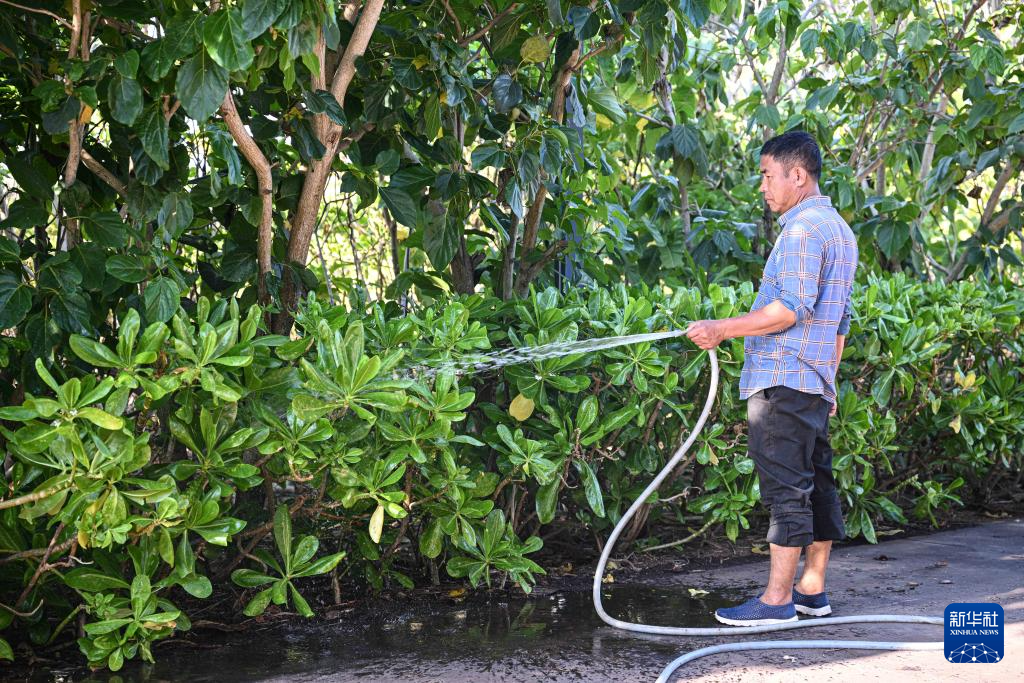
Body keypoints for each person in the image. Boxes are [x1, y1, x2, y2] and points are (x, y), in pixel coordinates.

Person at [685, 130, 859, 626]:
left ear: (796, 175)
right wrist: (828, 382)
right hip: (812, 382)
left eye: (767, 175)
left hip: (783, 380)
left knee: (786, 490)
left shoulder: (802, 230)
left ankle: (777, 602)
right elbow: (838, 322)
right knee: (815, 485)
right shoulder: (839, 230)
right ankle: (812, 591)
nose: (762, 186)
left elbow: (790, 310)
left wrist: (721, 329)